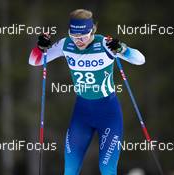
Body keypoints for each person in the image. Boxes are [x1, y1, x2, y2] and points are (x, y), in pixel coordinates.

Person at [29, 9, 145, 175]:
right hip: (82, 113)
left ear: (92, 30)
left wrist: (122, 49)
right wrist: (40, 48)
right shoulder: (66, 44)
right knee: (70, 169)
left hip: (108, 113)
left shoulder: (104, 43)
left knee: (107, 169)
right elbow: (35, 61)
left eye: (83, 36)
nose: (79, 41)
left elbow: (140, 60)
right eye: (75, 37)